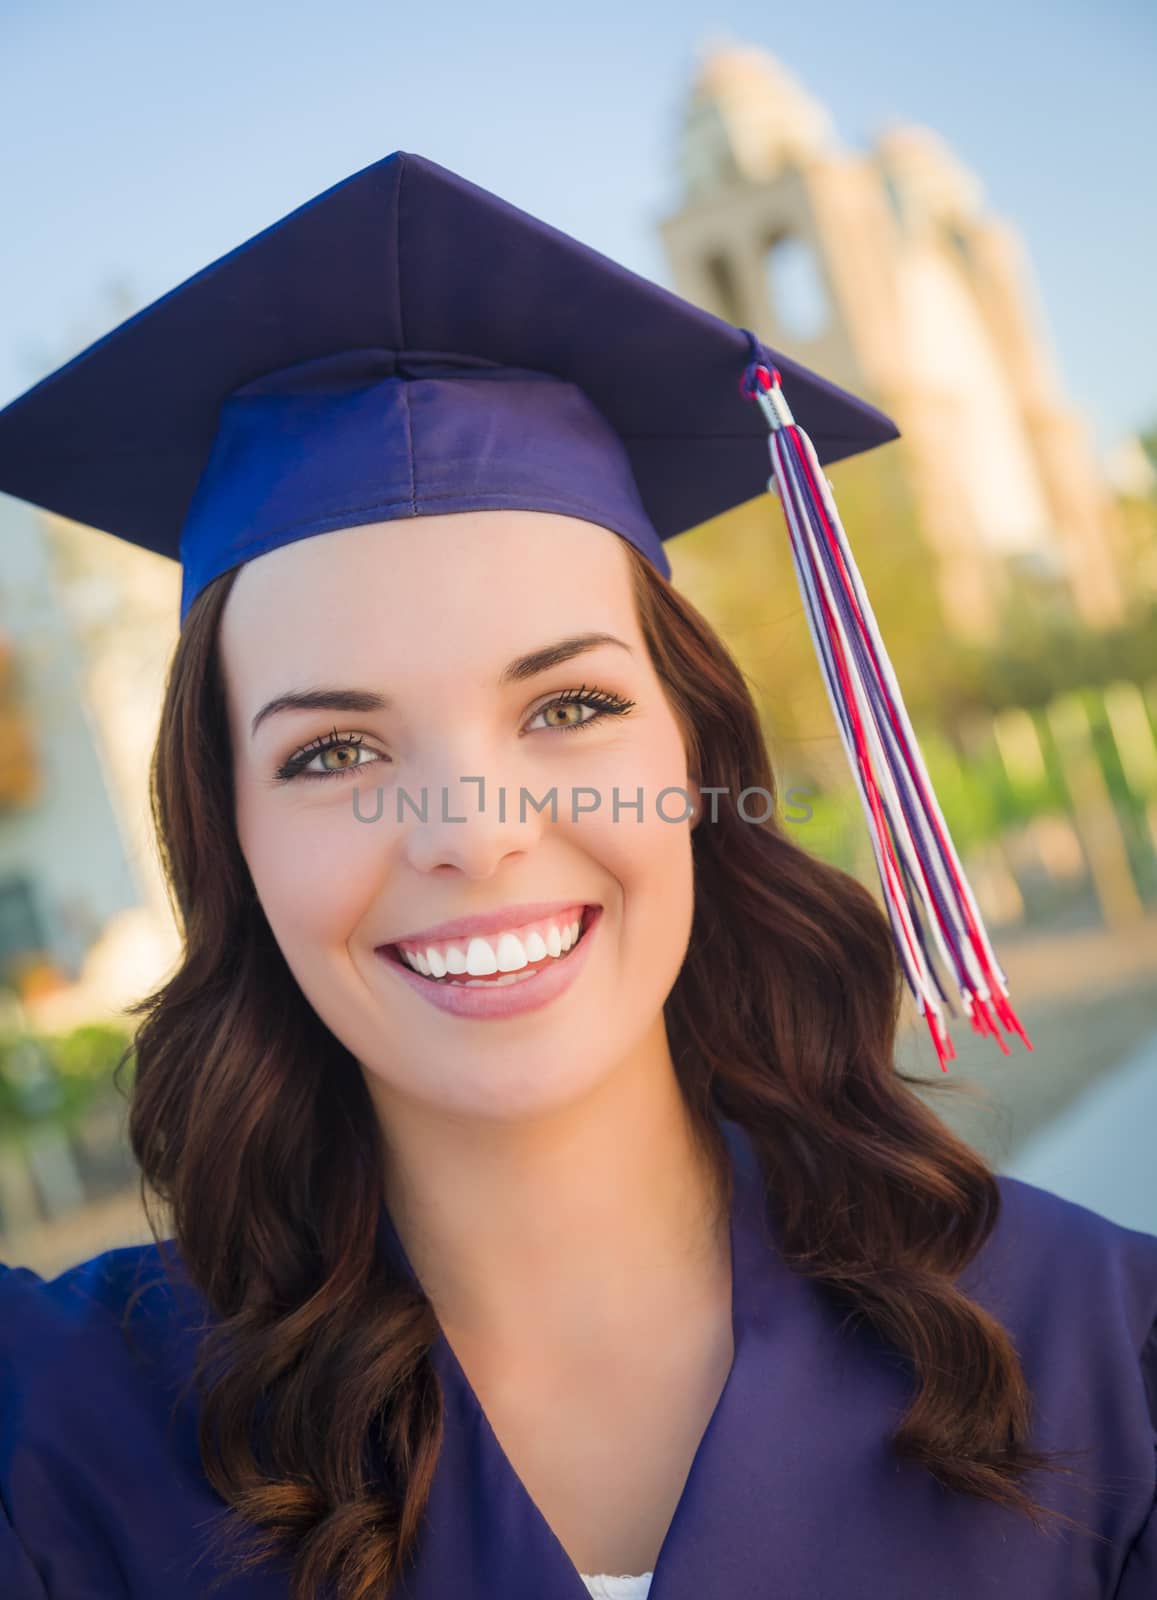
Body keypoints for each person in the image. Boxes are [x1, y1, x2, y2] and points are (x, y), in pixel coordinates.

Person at [0, 150, 1153, 1599]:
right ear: (225, 838)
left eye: (567, 709)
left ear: (694, 760)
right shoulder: (58, 1438)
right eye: (331, 752)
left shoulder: (1103, 1355)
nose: (471, 833)